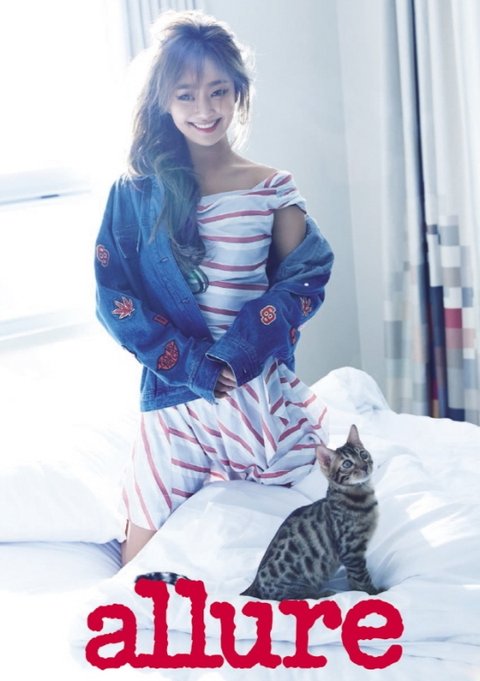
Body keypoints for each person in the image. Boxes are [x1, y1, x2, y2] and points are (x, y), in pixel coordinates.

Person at [94, 10, 334, 565]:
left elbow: (305, 279)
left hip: (252, 391)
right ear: (164, 101)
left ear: (238, 92)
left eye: (218, 91)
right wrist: (192, 364)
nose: (205, 110)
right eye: (186, 95)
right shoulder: (136, 191)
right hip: (176, 393)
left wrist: (240, 350)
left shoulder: (270, 187)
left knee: (277, 557)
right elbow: (113, 296)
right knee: (135, 570)